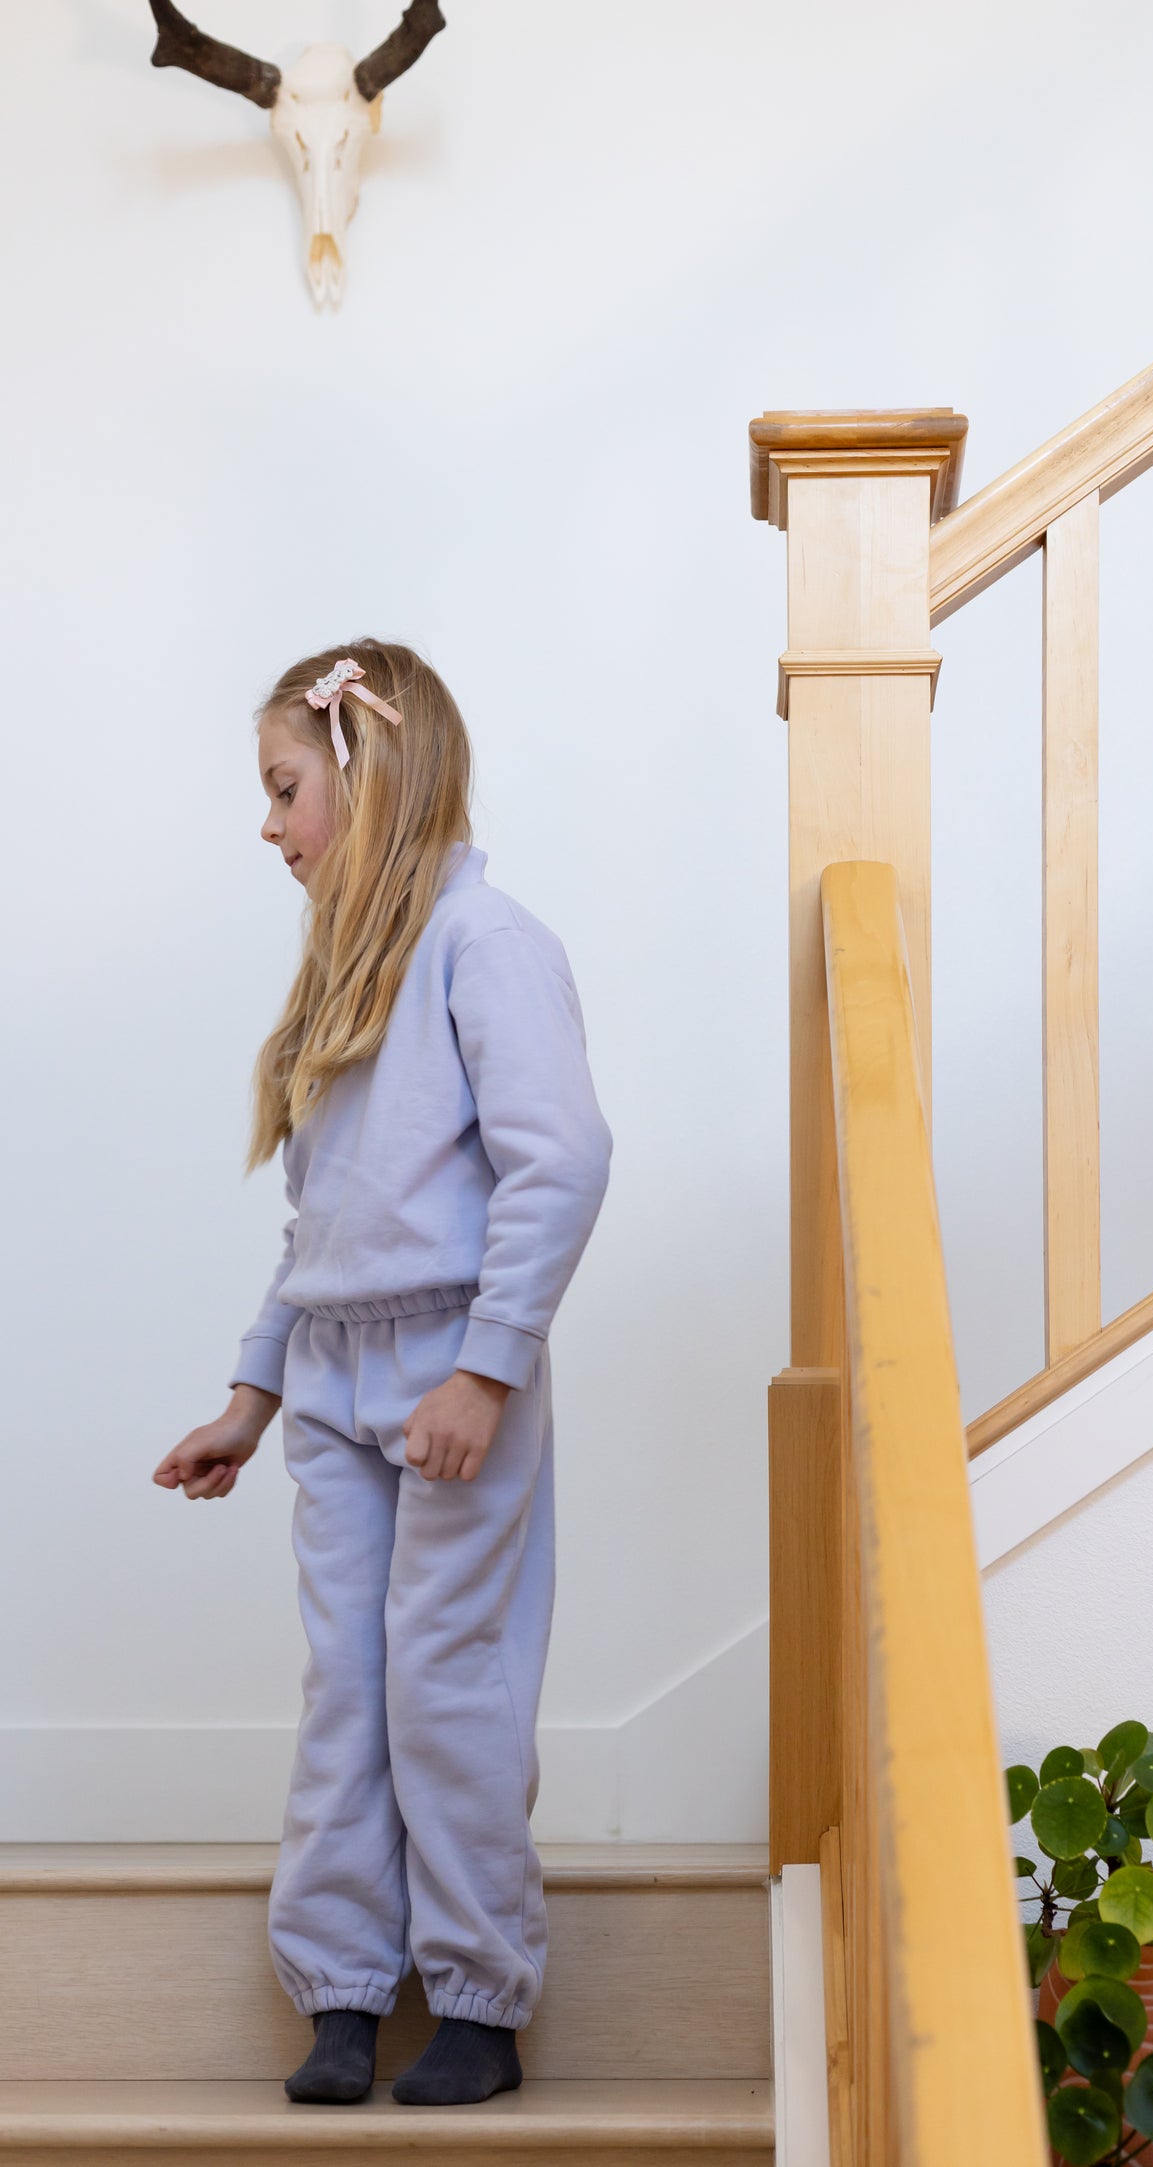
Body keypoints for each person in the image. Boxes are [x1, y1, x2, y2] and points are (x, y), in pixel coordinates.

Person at [153, 641, 612, 2108]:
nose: (271, 825)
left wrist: (486, 1370)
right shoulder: (348, 979)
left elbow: (562, 1165)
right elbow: (321, 1234)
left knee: (445, 1684)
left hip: (447, 1373)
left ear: (370, 769)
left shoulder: (491, 945)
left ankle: (477, 2000)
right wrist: (253, 1391)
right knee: (346, 1687)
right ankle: (344, 1988)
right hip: (339, 1379)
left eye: (286, 789)